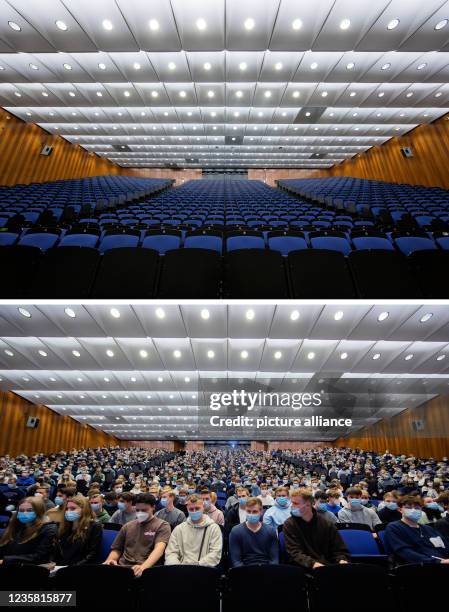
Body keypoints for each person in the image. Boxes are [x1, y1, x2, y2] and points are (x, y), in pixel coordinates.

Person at [103, 493, 171, 577]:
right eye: (137, 510)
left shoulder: (162, 525)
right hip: (123, 567)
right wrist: (111, 559)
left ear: (153, 507)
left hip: (147, 568)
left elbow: (159, 550)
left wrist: (143, 567)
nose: (140, 513)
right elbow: (117, 549)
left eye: (144, 510)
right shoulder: (128, 526)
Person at [283, 489, 350, 570]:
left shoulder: (326, 524)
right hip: (303, 568)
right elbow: (295, 553)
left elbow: (339, 549)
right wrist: (313, 564)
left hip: (327, 566)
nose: (291, 506)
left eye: (295, 503)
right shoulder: (289, 524)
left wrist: (341, 560)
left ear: (308, 505)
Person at [385, 495, 449, 564]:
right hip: (418, 566)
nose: (413, 510)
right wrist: (438, 562)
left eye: (417, 508)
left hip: (442, 563)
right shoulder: (394, 527)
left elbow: (445, 545)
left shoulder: (428, 528)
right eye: (408, 507)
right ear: (400, 509)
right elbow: (405, 552)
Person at [164, 494, 222, 566]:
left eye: (197, 508)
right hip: (181, 571)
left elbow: (215, 554)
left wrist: (197, 566)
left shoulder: (214, 528)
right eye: (191, 509)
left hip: (204, 569)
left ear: (203, 507)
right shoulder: (179, 529)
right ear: (187, 509)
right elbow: (171, 553)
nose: (194, 511)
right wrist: (177, 568)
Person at [0, 496, 57, 565]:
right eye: (21, 510)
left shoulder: (49, 529)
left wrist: (5, 560)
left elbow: (40, 557)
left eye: (29, 510)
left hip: (31, 569)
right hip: (12, 565)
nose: (25, 513)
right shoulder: (17, 524)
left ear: (39, 512)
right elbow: (5, 546)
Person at [229, 497, 278, 567]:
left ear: (261, 512)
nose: (251, 514)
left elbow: (274, 559)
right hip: (244, 570)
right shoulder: (236, 531)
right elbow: (236, 561)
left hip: (266, 569)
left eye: (254, 511)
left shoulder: (270, 531)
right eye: (248, 511)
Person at [54, 495, 102, 566]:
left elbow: (92, 554)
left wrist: (71, 568)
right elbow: (60, 551)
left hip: (80, 567)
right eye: (67, 509)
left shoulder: (94, 526)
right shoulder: (65, 525)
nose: (68, 511)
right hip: (61, 565)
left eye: (73, 508)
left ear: (84, 509)